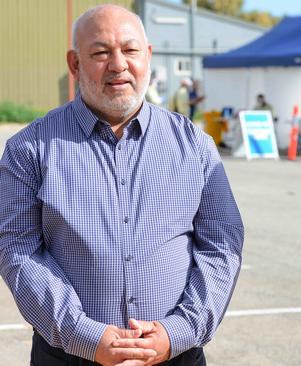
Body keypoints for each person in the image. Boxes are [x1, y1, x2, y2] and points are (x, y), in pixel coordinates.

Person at [0, 5, 244, 366]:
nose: (118, 65)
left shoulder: (194, 145)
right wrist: (83, 335)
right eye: (100, 52)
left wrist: (177, 331)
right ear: (74, 64)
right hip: (69, 356)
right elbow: (17, 248)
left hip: (175, 355)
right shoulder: (29, 148)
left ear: (147, 56)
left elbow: (223, 244)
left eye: (130, 50)